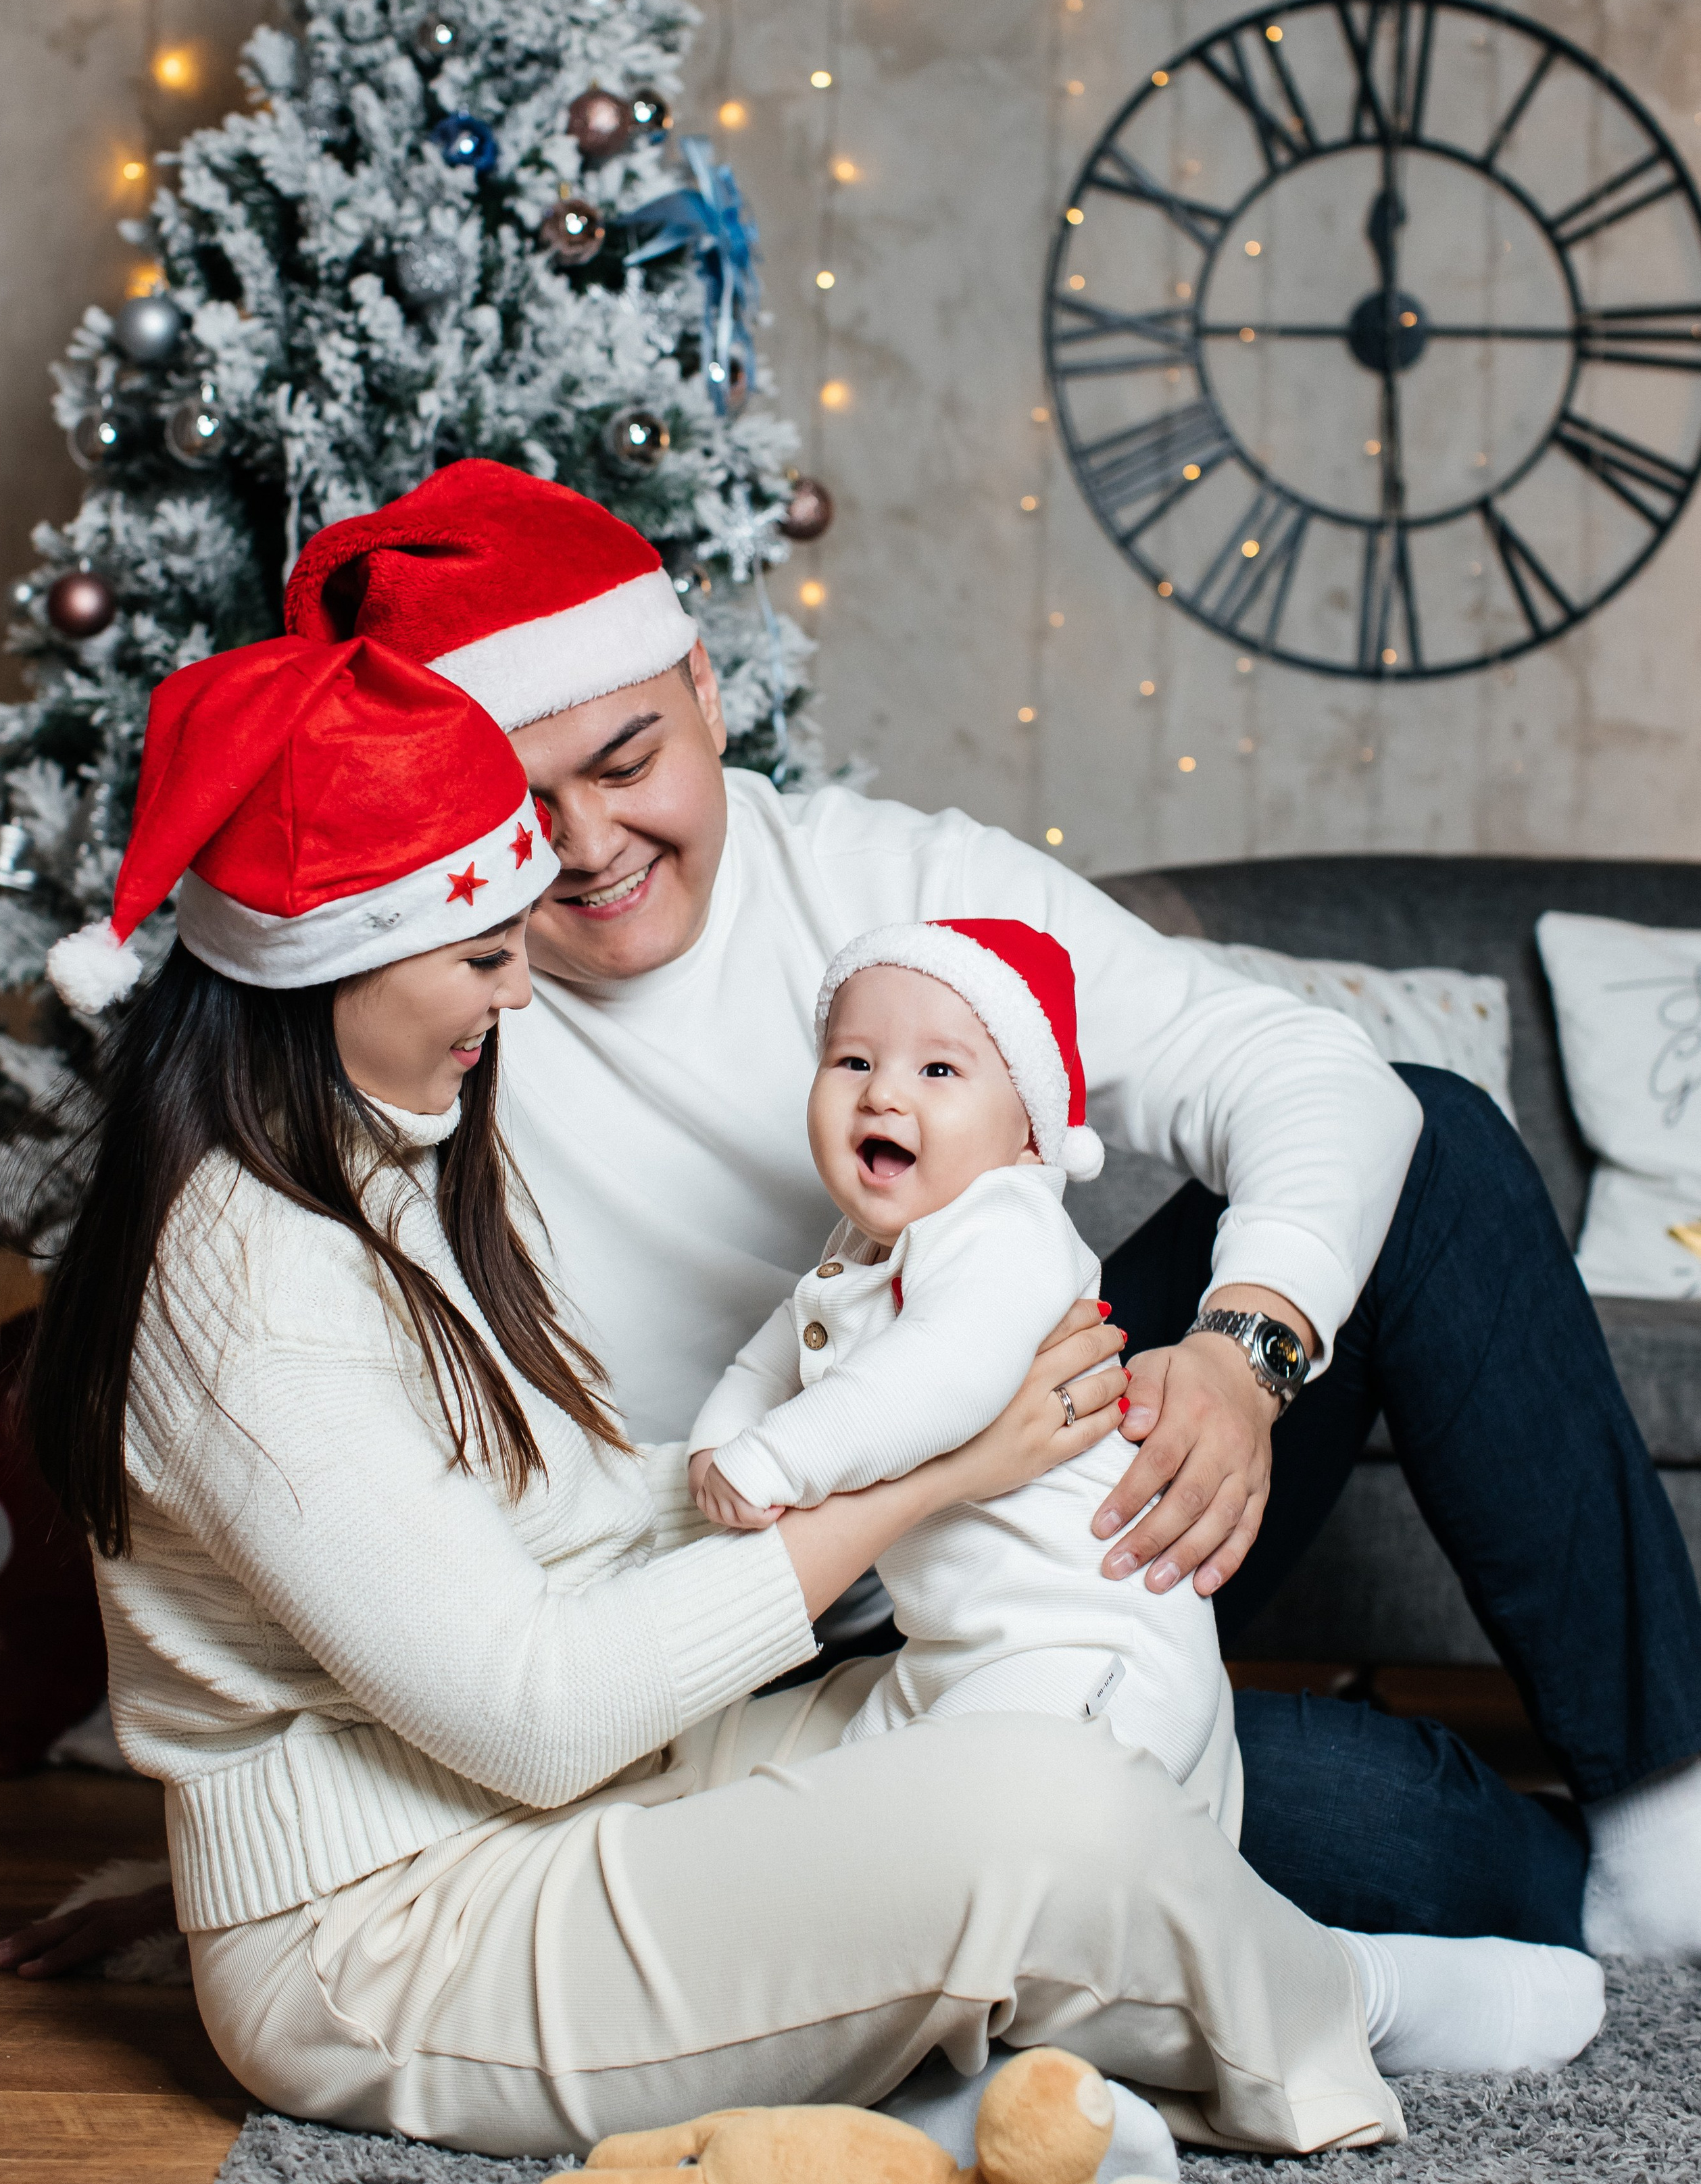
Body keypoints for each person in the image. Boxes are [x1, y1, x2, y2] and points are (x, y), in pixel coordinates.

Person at [11, 622, 1604, 2154]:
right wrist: (924, 1478)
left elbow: (509, 1528)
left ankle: (1005, 2036)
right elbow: (536, 1708)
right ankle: (1353, 1998)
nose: (517, 1000)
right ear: (336, 960)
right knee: (1049, 1806)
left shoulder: (360, 1157)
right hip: (395, 1940)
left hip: (530, 1790)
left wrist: (798, 1465)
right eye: (488, 955)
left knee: (1018, 1707)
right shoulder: (238, 1283)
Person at [274, 457, 1701, 1963]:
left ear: (702, 681)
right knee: (1402, 1829)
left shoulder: (880, 877)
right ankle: (1535, 1879)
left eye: (626, 763)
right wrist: (305, 1849)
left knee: (1440, 1139)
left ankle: (1666, 1800)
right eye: (516, 799)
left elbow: (1295, 1067)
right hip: (783, 1663)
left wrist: (1237, 1351)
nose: (579, 844)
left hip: (1059, 1515)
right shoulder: (428, 1003)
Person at [689, 918, 1229, 1806]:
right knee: (831, 1821)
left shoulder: (1006, 1226)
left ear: (1027, 1135)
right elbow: (766, 1361)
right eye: (854, 1061)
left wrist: (774, 1461)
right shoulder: (857, 1248)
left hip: (1082, 1641)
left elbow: (943, 1376)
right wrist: (715, 1451)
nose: (882, 1095)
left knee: (966, 1827)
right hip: (951, 1648)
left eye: (937, 1070)